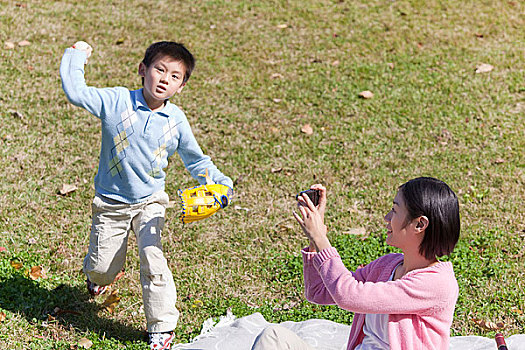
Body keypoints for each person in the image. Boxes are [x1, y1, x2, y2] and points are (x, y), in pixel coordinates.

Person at [60, 41, 233, 350]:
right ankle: (98, 280)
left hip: (151, 202)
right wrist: (76, 55)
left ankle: (162, 327)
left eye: (175, 76)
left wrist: (221, 184)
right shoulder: (116, 101)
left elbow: (197, 161)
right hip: (110, 202)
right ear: (143, 70)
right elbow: (76, 92)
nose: (165, 79)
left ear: (181, 86)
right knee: (101, 268)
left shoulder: (176, 121)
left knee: (153, 259)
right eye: (160, 69)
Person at [252, 177, 460, 350]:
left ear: (419, 224)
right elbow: (318, 291)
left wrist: (321, 239)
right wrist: (314, 242)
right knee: (273, 337)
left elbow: (348, 295)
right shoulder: (387, 266)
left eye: (395, 211)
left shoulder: (436, 284)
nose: (387, 217)